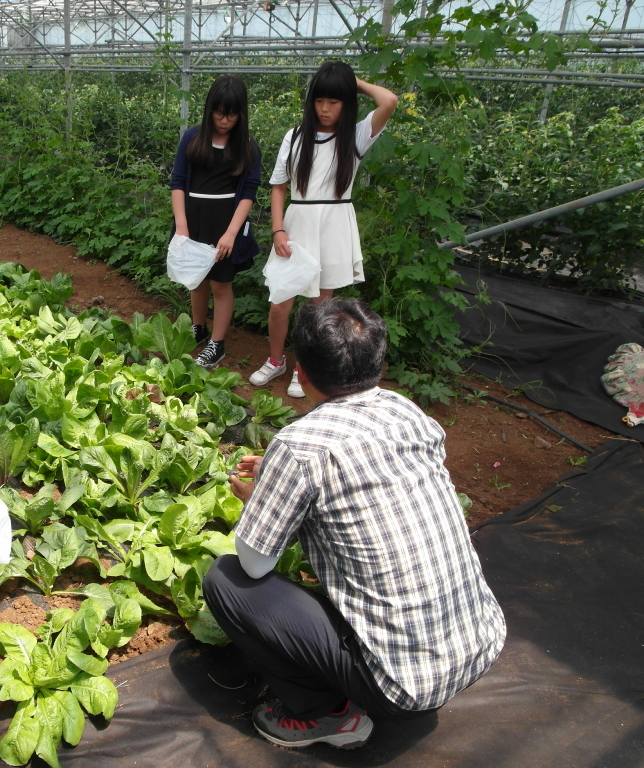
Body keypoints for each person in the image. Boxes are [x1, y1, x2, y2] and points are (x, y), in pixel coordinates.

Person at [204, 298, 505, 750]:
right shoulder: (406, 413)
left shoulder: (300, 444)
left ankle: (326, 716)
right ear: (377, 363)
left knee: (225, 580)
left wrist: (259, 502)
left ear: (300, 372)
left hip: (401, 688)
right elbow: (372, 478)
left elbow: (254, 565)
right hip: (480, 646)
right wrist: (280, 478)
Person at [249, 62, 398, 398]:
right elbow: (278, 186)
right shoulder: (296, 136)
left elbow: (388, 101)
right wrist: (277, 231)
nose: (325, 108)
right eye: (319, 100)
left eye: (334, 101)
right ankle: (276, 360)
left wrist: (351, 82)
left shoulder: (356, 136)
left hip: (333, 227)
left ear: (347, 102)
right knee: (280, 303)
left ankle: (304, 370)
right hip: (296, 226)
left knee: (318, 311)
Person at [170, 74, 261, 369]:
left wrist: (231, 233)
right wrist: (182, 226)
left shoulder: (247, 146)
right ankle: (198, 328)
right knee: (196, 279)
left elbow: (249, 191)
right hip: (193, 220)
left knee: (221, 285)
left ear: (241, 114)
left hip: (225, 225)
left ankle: (217, 344)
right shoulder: (193, 138)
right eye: (219, 113)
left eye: (231, 115)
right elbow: (178, 182)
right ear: (210, 110)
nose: (224, 120)